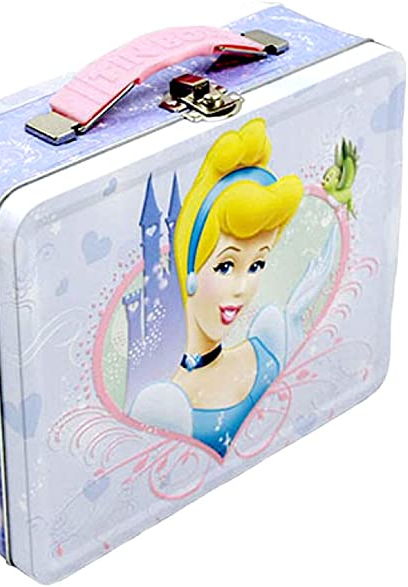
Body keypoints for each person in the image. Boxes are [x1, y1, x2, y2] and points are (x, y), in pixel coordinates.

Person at [129, 118, 337, 457]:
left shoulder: (268, 348)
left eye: (257, 265)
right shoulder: (165, 408)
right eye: (226, 266)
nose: (243, 288)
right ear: (190, 268)